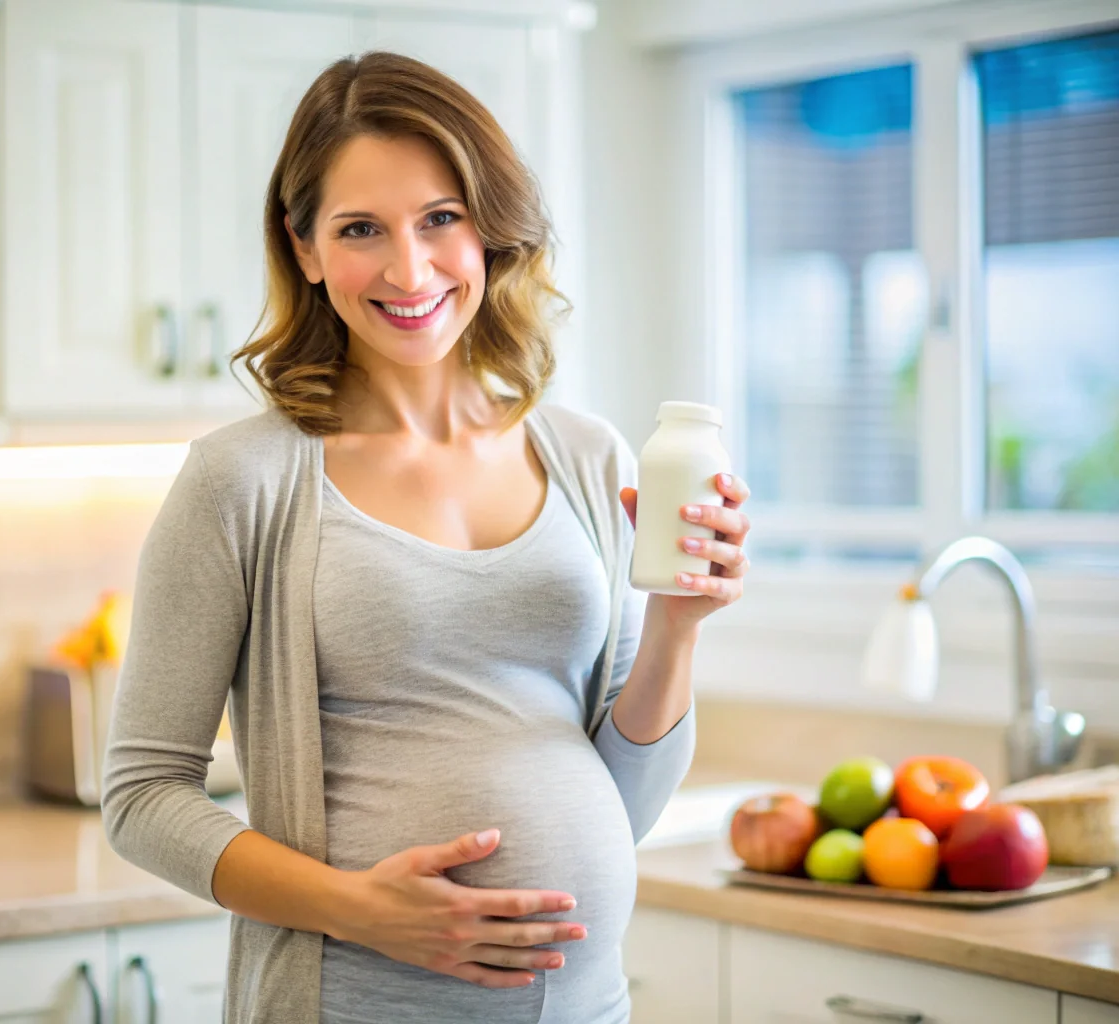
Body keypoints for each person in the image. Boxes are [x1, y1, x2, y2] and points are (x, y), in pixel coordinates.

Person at [102, 50, 751, 1024]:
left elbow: (627, 808)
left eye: (439, 218)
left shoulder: (583, 455)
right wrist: (361, 910)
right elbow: (142, 797)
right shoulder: (243, 480)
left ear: (487, 228)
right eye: (361, 228)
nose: (408, 269)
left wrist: (676, 627)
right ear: (306, 247)